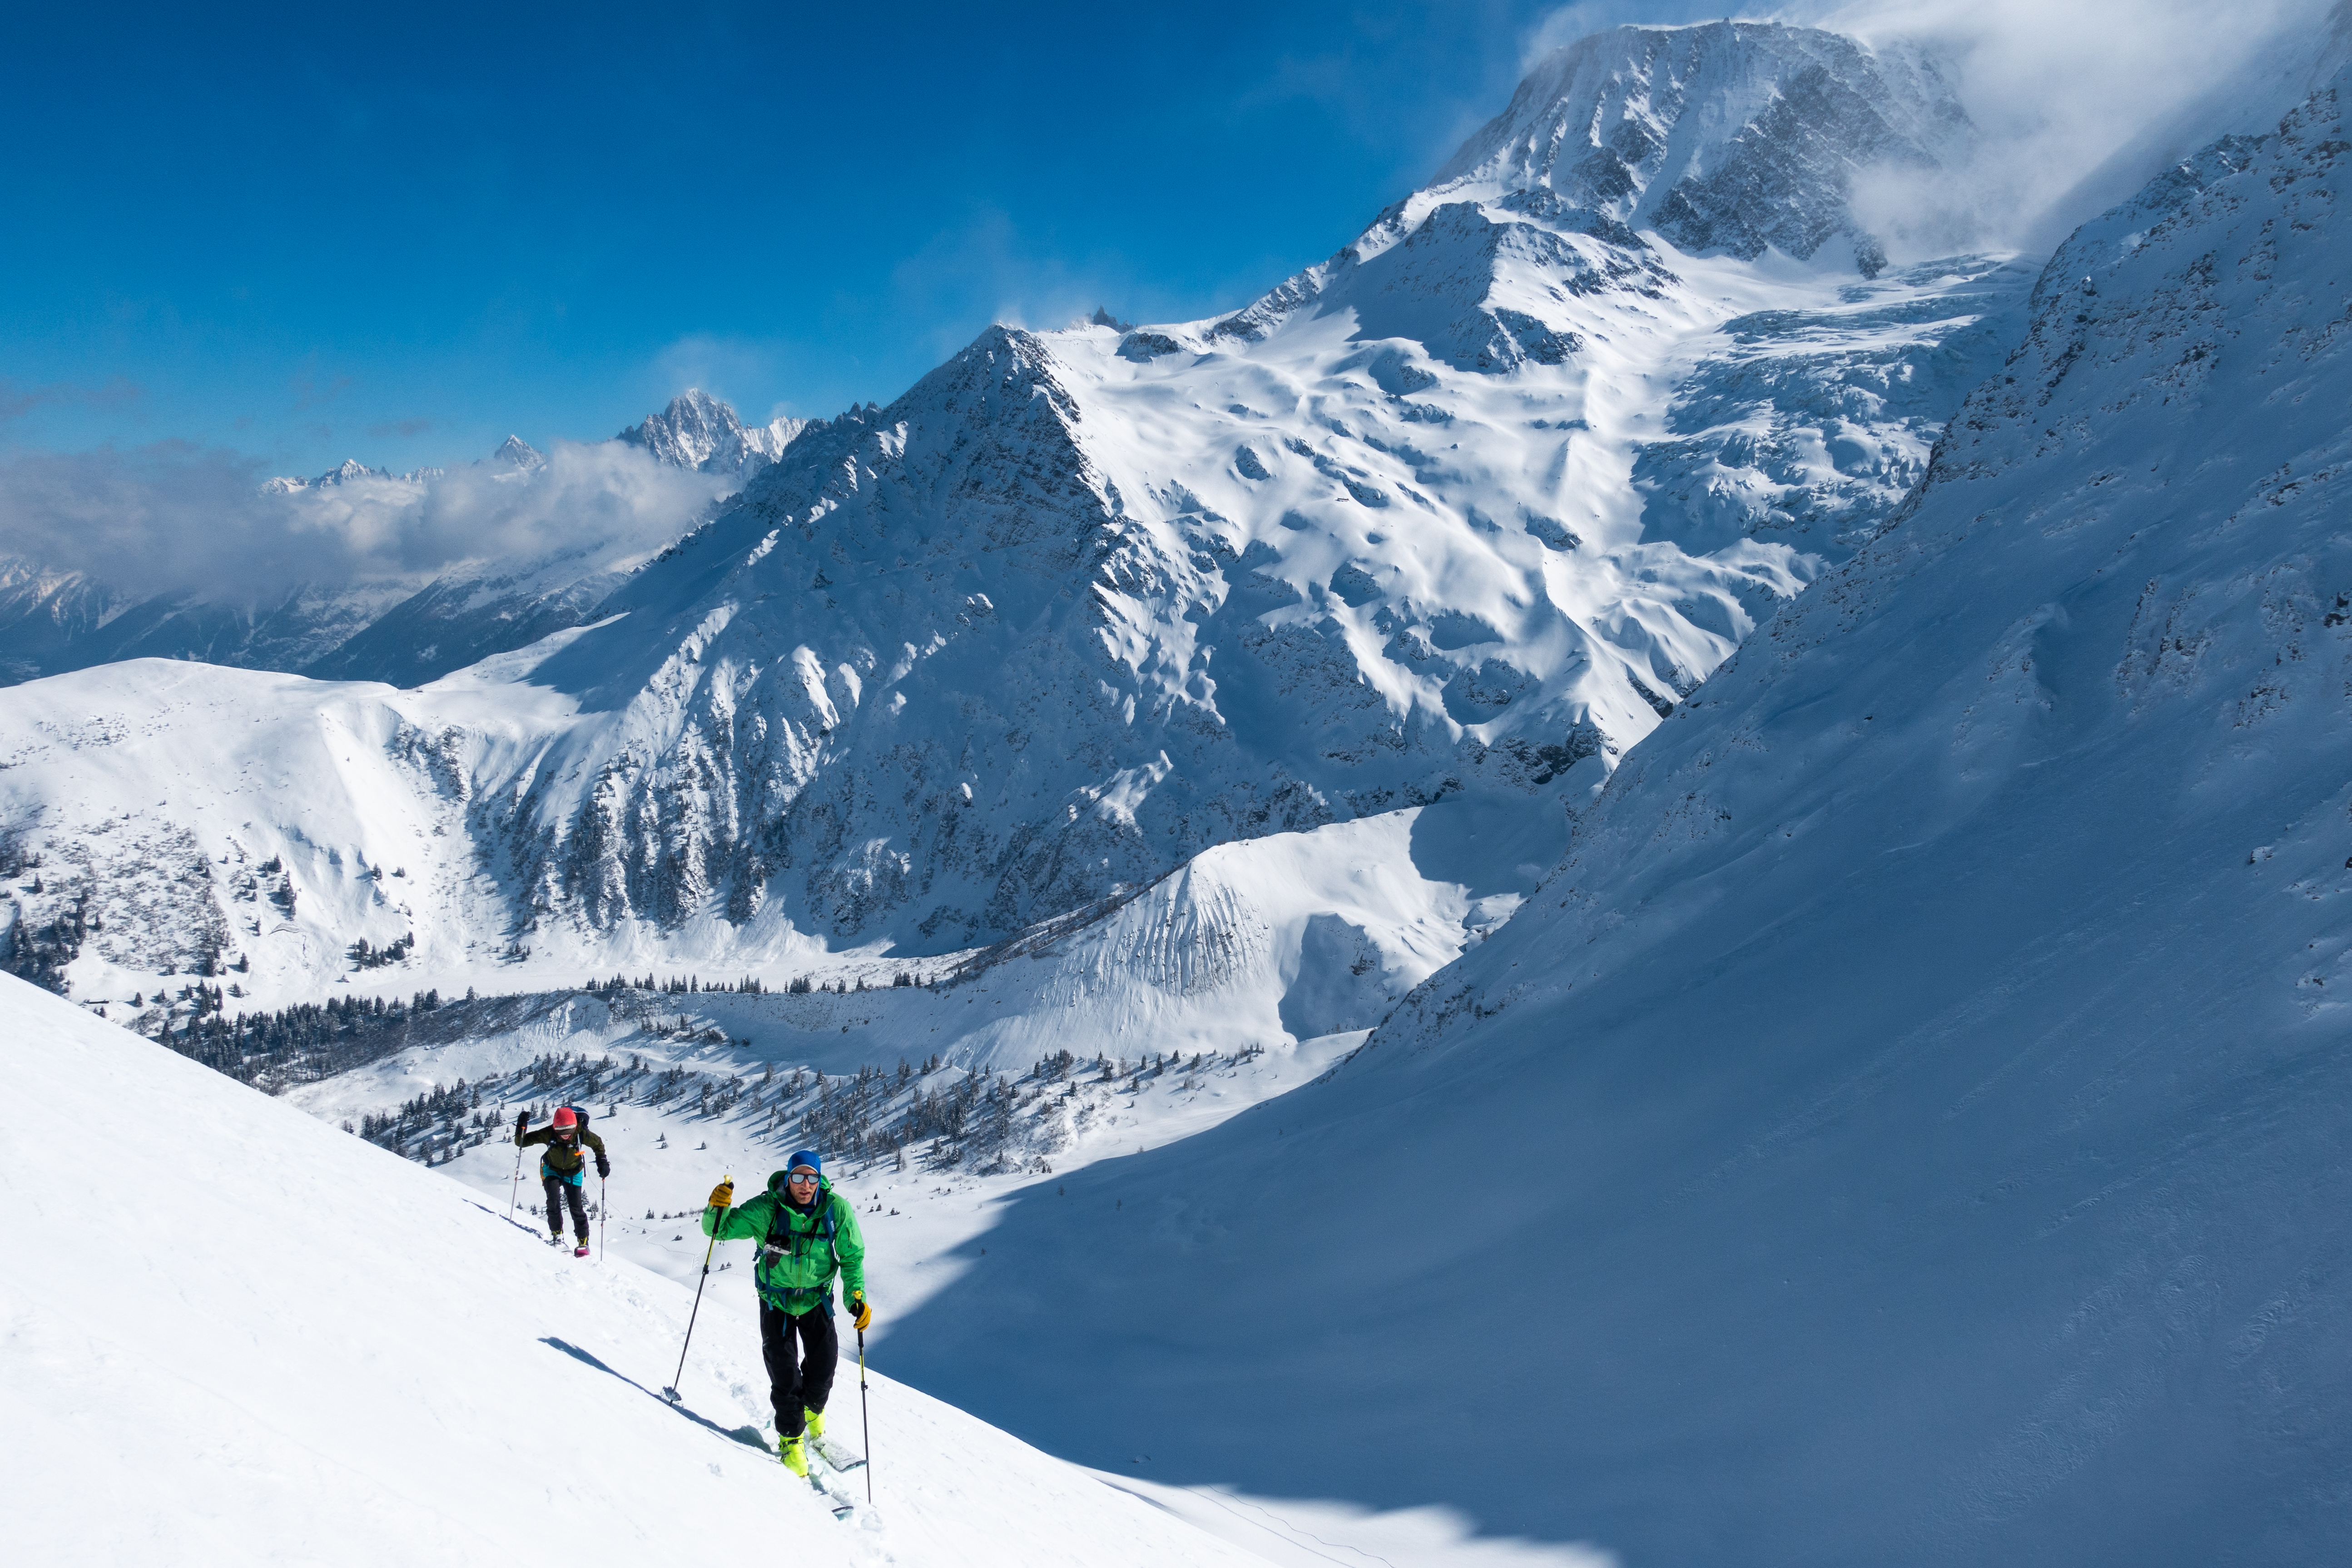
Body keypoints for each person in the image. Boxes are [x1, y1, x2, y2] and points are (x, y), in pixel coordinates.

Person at [701, 1149, 869, 1477]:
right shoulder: (767, 1208)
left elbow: (852, 1257)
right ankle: (791, 1441)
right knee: (785, 1372)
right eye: (798, 1177)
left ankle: (812, 1412)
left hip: (815, 1299)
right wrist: (715, 1208)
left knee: (824, 1367)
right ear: (787, 1177)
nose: (805, 1186)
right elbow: (718, 1230)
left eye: (812, 1178)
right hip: (775, 1300)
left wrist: (856, 1298)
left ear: (821, 1181)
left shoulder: (836, 1210)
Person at [515, 1106, 609, 1255]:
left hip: (574, 1172)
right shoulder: (549, 1132)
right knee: (553, 1202)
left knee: (576, 1208)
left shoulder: (581, 1133)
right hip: (551, 1169)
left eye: (569, 1133)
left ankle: (583, 1242)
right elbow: (521, 1143)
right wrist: (521, 1126)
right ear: (555, 1128)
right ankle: (557, 1237)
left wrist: (602, 1162)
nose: (565, 1136)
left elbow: (598, 1144)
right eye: (561, 1133)